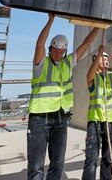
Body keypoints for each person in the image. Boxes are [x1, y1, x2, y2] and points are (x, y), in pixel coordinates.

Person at [27, 13, 98, 180]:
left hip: (60, 118)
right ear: (51, 49)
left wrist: (98, 27)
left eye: (61, 51)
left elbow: (85, 44)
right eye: (55, 50)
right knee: (36, 166)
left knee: (58, 163)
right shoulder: (41, 63)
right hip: (39, 118)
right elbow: (39, 44)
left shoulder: (67, 63)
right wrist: (50, 20)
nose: (58, 54)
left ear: (65, 51)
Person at [82, 46, 112, 180]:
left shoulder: (111, 76)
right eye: (104, 58)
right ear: (96, 61)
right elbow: (89, 75)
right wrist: (98, 56)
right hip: (95, 121)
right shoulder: (93, 77)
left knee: (108, 157)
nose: (107, 61)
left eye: (108, 59)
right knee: (91, 158)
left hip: (110, 121)